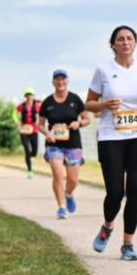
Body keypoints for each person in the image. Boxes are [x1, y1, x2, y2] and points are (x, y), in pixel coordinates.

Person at [85, 26, 137, 260]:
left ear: (135, 43)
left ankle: (127, 244)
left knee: (135, 192)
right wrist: (103, 105)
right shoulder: (103, 70)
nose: (125, 42)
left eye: (129, 38)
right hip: (111, 136)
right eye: (120, 39)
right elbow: (88, 103)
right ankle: (108, 226)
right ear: (113, 44)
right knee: (115, 192)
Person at [39, 69, 90, 218]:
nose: (60, 82)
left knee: (73, 180)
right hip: (54, 144)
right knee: (58, 175)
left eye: (63, 79)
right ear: (53, 82)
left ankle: (68, 194)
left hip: (73, 144)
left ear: (67, 81)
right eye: (57, 79)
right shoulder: (47, 102)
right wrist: (47, 133)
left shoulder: (75, 99)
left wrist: (78, 123)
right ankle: (61, 207)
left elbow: (87, 119)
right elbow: (40, 125)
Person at [15, 87, 41, 178]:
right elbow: (14, 113)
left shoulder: (37, 105)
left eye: (31, 95)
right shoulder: (21, 106)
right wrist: (16, 121)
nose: (29, 97)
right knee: (27, 150)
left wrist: (40, 122)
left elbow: (43, 113)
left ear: (33, 96)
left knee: (34, 152)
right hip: (24, 130)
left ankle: (29, 156)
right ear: (25, 96)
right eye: (27, 95)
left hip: (34, 130)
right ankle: (30, 170)